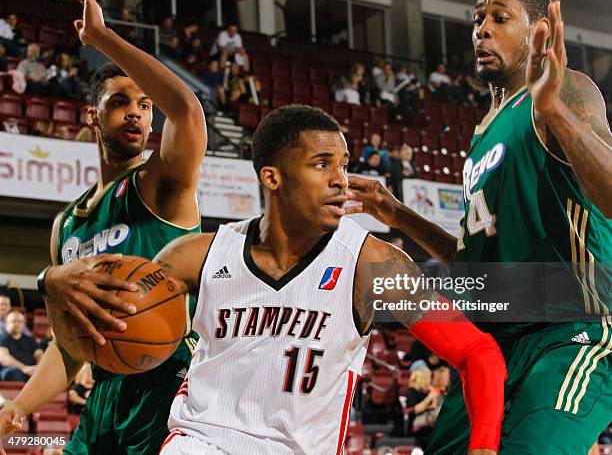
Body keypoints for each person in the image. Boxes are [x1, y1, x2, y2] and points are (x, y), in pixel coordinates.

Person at [103, 105, 505, 454]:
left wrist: (484, 447)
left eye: (344, 165)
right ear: (272, 178)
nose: (341, 180)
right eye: (321, 164)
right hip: (199, 445)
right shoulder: (197, 255)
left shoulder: (371, 262)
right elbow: (118, 316)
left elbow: (476, 352)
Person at [346, 0, 612, 454]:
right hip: (493, 341)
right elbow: (476, 264)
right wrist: (397, 213)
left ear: (538, 32)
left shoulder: (566, 92)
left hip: (571, 328)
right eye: (478, 19)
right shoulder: (483, 136)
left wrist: (554, 109)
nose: (481, 30)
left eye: (499, 17)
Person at [0, 0, 206, 455]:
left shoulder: (160, 184)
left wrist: (101, 38)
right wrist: (19, 406)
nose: (135, 112)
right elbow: (71, 343)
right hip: (104, 393)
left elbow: (189, 112)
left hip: (169, 383)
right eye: (119, 102)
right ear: (92, 116)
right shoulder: (66, 224)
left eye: (144, 105)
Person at [0, 311, 43, 382]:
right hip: (12, 370)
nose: (17, 324)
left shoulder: (30, 339)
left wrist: (38, 368)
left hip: (33, 370)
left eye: (20, 322)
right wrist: (24, 368)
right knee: (13, 373)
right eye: (13, 321)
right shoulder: (2, 338)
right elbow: (4, 359)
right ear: (6, 323)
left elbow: (39, 354)